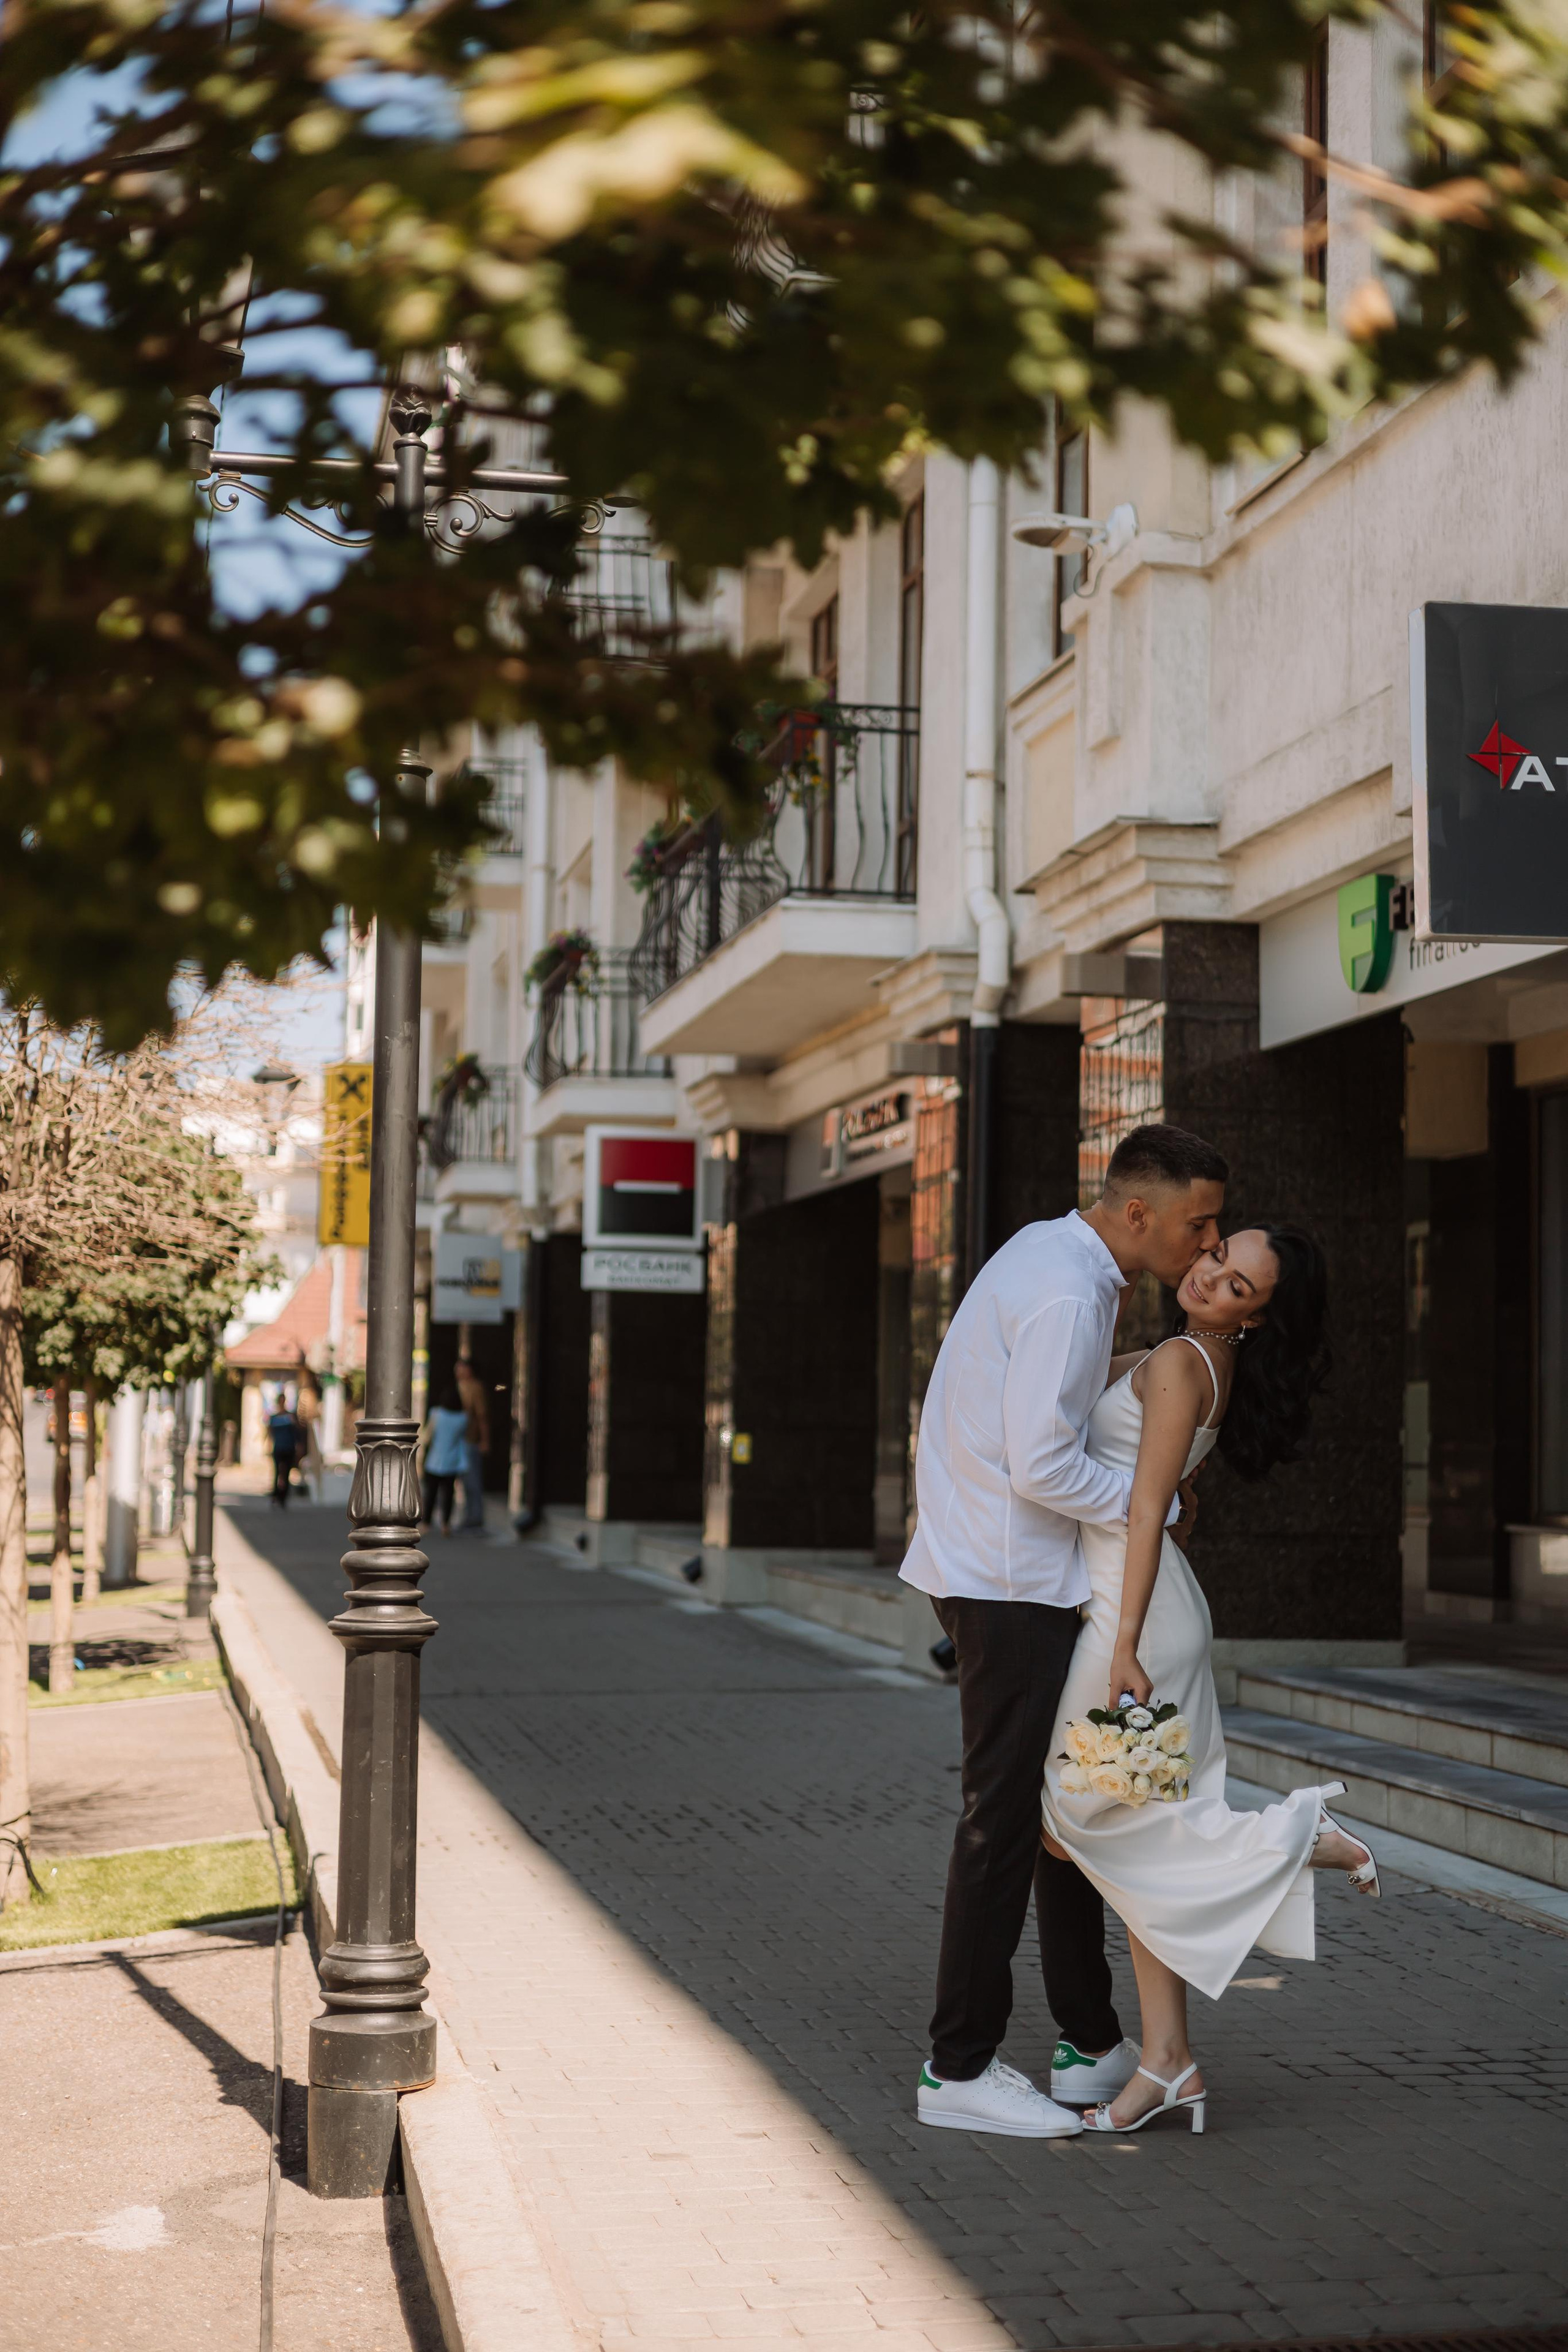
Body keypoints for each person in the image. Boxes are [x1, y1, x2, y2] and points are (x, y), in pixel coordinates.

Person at [902, 1123, 1229, 2141]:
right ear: (1140, 1214)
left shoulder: (1058, 1260)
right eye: (1197, 1223)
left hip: (1006, 1573)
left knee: (1058, 1827)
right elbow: (1042, 1465)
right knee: (1002, 1826)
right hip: (1008, 1583)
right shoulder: (1067, 1289)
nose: (1207, 1242)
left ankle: (1089, 2046)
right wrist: (1153, 1505)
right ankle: (957, 2069)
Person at [1043, 1224, 1378, 2135]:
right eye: (1218, 1256)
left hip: (1136, 1624)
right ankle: (1170, 2060)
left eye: (1237, 1286)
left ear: (1258, 1320)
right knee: (1131, 1828)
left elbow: (1148, 1507)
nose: (1209, 1277)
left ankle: (1297, 1837)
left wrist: (1122, 1647)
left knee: (1076, 1819)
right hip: (1150, 1614)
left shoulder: (1185, 1361)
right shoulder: (1183, 1356)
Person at [420, 1379, 471, 1534]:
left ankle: (427, 1523)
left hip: (435, 1459)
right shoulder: (463, 1418)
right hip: (452, 1460)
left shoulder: (436, 1414)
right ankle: (446, 1524)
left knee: (431, 1493)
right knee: (449, 1493)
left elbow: (428, 1435)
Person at [454, 1355, 490, 1532]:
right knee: (463, 1481)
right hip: (458, 1439)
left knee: (472, 1479)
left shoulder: (475, 1387)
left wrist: (484, 1440)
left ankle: (475, 1516)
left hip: (471, 1438)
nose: (458, 1371)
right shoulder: (458, 1387)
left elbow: (482, 1415)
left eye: (462, 1368)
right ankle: (469, 1515)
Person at [266, 1395, 301, 1509]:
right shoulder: (274, 1418)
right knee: (277, 1473)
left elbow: (296, 1433)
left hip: (289, 1448)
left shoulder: (290, 1417)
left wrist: (298, 1446)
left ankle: (283, 1497)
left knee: (286, 1473)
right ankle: (276, 1495)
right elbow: (270, 1434)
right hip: (279, 1448)